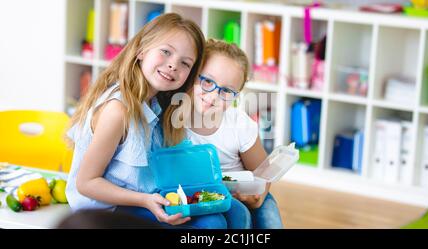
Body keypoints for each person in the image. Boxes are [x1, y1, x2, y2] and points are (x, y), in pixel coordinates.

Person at [65, 13, 227, 229]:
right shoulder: (118, 111)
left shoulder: (156, 103)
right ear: (141, 50)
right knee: (212, 224)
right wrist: (146, 201)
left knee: (234, 211)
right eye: (166, 52)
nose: (173, 66)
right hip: (106, 213)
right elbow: (86, 184)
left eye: (185, 63)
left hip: (141, 200)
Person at [163, 39, 283, 229]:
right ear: (193, 75)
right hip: (200, 198)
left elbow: (264, 172)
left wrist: (258, 198)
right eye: (208, 81)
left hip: (240, 195)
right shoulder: (170, 118)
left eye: (226, 91)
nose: (212, 97)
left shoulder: (239, 125)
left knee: (270, 219)